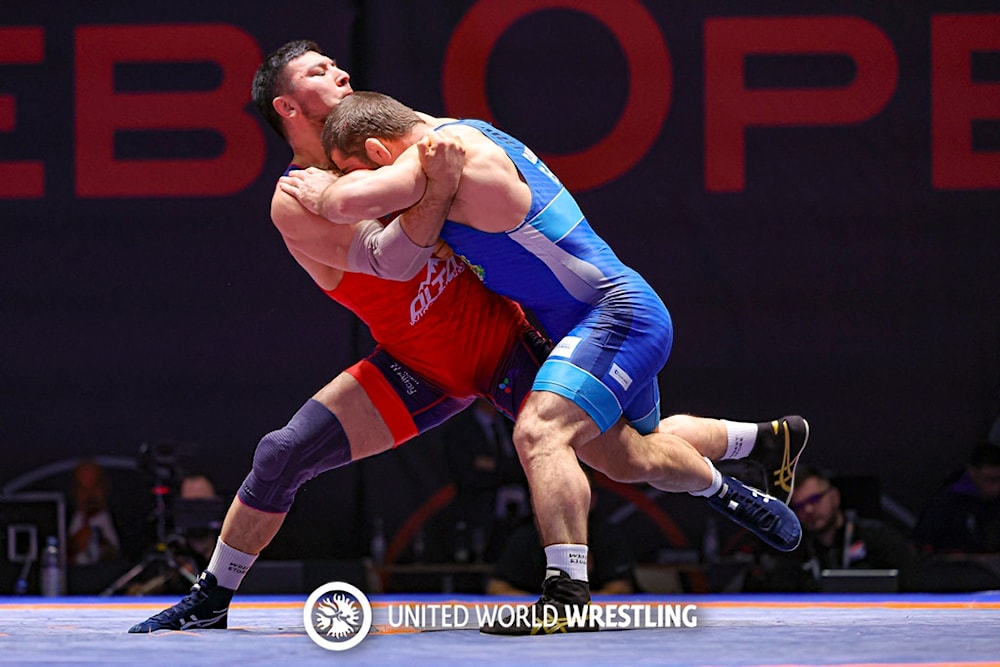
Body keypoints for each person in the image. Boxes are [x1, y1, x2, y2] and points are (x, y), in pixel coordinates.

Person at [279, 91, 809, 633]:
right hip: (587, 321)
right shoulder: (453, 137)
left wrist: (322, 190)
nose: (346, 181)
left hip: (614, 314)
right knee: (628, 455)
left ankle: (567, 596)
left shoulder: (446, 150)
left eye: (350, 169)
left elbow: (347, 206)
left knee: (540, 433)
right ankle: (760, 444)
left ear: (377, 150)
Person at [128, 39, 552, 633]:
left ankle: (729, 476)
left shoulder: (381, 141)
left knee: (624, 446)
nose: (341, 72)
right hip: (417, 368)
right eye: (319, 71)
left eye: (336, 63)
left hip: (501, 336)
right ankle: (210, 597)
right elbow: (393, 260)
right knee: (281, 454)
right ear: (287, 107)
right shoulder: (295, 199)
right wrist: (427, 186)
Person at [743, 467, 920, 592]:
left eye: (814, 500)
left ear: (834, 496)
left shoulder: (878, 537)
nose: (809, 510)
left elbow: (912, 583)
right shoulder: (791, 551)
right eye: (800, 506)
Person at [487, 468, 635, 596]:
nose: (568, 503)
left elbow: (621, 587)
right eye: (562, 495)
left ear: (591, 499)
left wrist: (575, 602)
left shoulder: (606, 535)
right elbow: (497, 587)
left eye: (575, 496)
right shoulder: (525, 536)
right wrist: (544, 605)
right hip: (542, 611)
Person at [441, 399, 530, 563]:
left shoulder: (515, 424)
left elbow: (528, 465)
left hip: (523, 518)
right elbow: (467, 477)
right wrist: (508, 467)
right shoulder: (460, 430)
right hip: (482, 518)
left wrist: (493, 465)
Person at [912, 442, 1000, 554]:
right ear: (972, 472)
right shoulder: (945, 504)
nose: (997, 487)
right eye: (990, 480)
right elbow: (921, 545)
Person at [67, 460, 122, 566]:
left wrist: (103, 546)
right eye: (83, 488)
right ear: (74, 491)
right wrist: (73, 546)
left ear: (105, 487)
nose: (90, 495)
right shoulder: (59, 520)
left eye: (95, 486)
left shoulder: (126, 521)